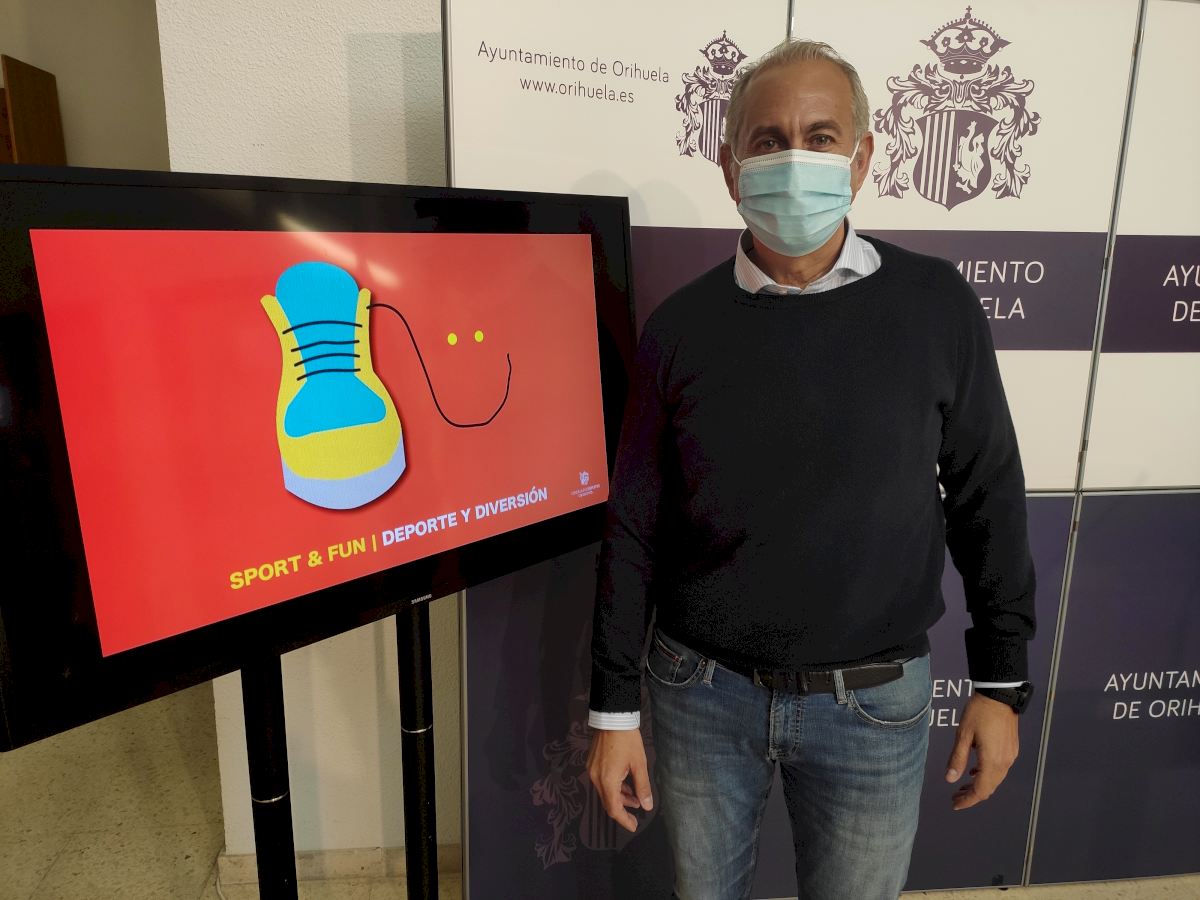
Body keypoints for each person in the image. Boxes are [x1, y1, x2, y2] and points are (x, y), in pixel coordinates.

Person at [585, 38, 1036, 900]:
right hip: (699, 695)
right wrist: (612, 708)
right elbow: (634, 526)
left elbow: (987, 495)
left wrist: (1000, 681)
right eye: (768, 139)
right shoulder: (678, 330)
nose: (794, 159)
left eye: (821, 137)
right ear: (730, 168)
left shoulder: (936, 305)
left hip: (874, 705)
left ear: (861, 159)